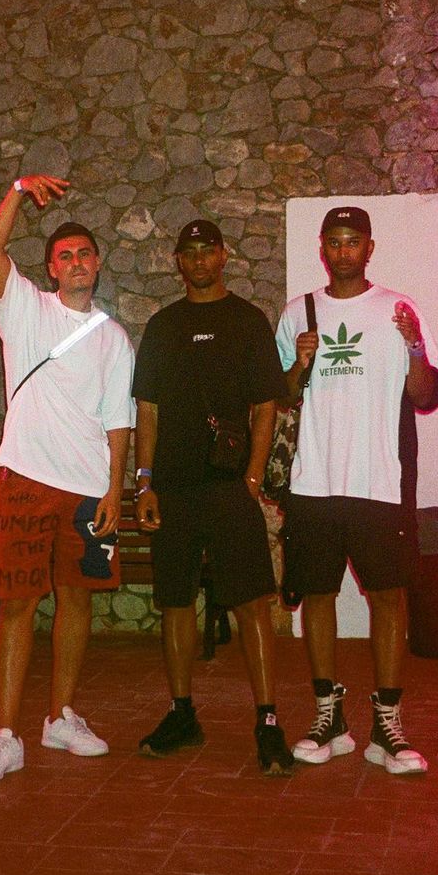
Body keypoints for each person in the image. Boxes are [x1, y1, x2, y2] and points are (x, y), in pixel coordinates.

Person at [0, 173, 135, 783]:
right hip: (26, 477)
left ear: (98, 263)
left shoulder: (114, 338)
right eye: (65, 256)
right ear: (51, 269)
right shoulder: (25, 309)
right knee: (18, 604)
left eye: (85, 253)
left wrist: (115, 489)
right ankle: (4, 735)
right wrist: (17, 189)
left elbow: (118, 420)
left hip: (87, 488)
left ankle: (61, 716)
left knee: (77, 599)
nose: (76, 262)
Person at [275, 206, 438, 775]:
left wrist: (414, 346)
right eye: (335, 241)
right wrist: (299, 364)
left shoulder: (399, 309)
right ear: (322, 249)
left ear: (369, 248)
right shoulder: (298, 312)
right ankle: (329, 717)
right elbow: (281, 397)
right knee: (318, 595)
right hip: (313, 481)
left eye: (354, 241)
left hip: (380, 481)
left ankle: (387, 726)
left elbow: (426, 396)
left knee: (389, 597)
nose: (344, 251)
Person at [132, 219, 294, 776]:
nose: (200, 260)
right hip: (173, 487)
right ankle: (183, 714)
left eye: (208, 251)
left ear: (224, 256)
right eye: (190, 252)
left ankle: (268, 722)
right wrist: (144, 482)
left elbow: (265, 405)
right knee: (176, 602)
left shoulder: (247, 321)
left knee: (251, 602)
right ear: (178, 261)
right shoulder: (163, 326)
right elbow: (147, 409)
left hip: (228, 486)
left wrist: (251, 479)